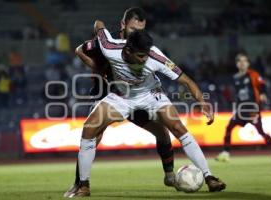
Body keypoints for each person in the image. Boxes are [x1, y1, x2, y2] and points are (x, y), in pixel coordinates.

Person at [70, 20, 226, 197]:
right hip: (122, 97)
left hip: (152, 95)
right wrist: (98, 67)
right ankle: (83, 185)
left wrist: (202, 102)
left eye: (146, 55)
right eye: (141, 56)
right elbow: (99, 24)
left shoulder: (156, 57)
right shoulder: (109, 47)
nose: (145, 59)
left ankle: (209, 177)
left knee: (178, 128)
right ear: (128, 50)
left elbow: (186, 81)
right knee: (89, 128)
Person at [64, 7, 176, 198]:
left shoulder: (140, 44)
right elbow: (79, 50)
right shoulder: (107, 42)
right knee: (93, 134)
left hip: (133, 96)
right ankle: (80, 184)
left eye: (141, 29)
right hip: (105, 93)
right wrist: (99, 68)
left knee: (162, 131)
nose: (137, 33)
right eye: (133, 28)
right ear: (123, 25)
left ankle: (170, 176)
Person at [215, 53, 271, 162]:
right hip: (241, 110)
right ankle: (225, 153)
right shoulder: (235, 78)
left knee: (260, 131)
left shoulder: (253, 74)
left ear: (248, 63)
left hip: (252, 109)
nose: (242, 63)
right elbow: (238, 95)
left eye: (244, 61)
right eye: (239, 61)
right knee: (229, 127)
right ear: (237, 64)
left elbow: (261, 84)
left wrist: (262, 93)